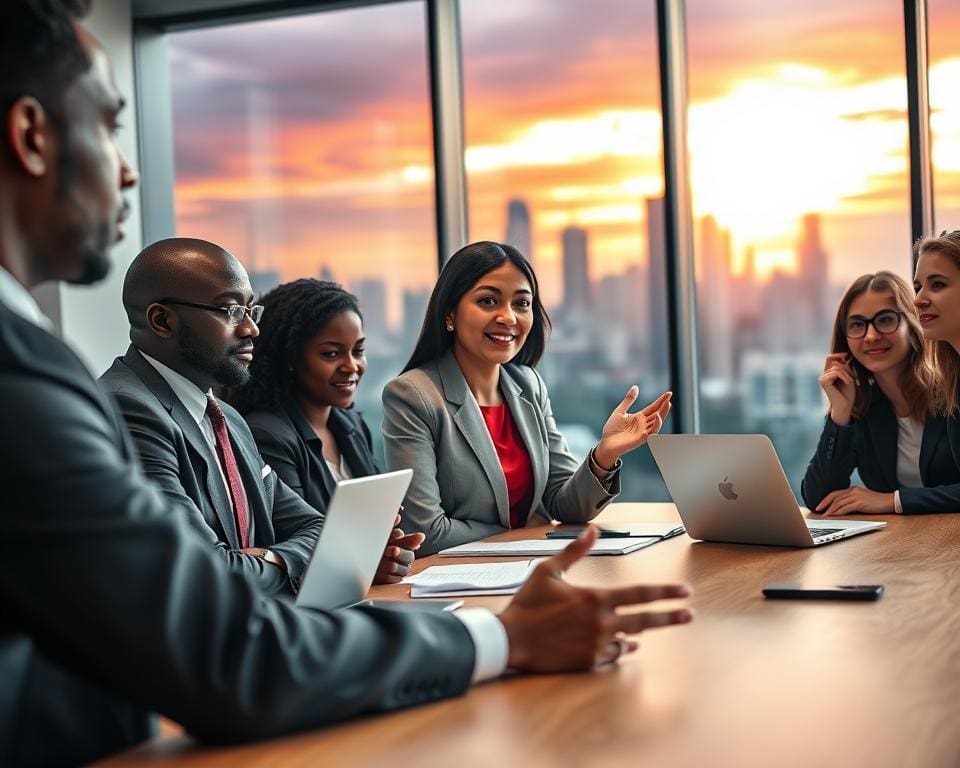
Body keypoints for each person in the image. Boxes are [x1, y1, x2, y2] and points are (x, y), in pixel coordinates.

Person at [0, 3, 692, 764]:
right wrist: (500, 634)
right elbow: (224, 646)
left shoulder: (209, 415)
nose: (127, 167)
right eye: (107, 124)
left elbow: (318, 536)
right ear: (33, 136)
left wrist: (290, 559)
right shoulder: (38, 381)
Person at [382, 241, 673, 555]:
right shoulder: (413, 395)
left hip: (528, 568)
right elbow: (425, 532)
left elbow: (565, 506)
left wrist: (604, 454)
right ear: (450, 313)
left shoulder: (528, 384)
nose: (508, 317)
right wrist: (521, 531)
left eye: (521, 304)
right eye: (488, 301)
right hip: (454, 582)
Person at [229, 276, 423, 583]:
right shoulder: (267, 435)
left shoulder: (350, 425)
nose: (351, 366)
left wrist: (393, 551)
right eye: (331, 354)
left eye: (358, 351)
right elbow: (298, 541)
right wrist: (364, 561)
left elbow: (373, 529)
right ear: (291, 359)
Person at [801, 271, 960, 516]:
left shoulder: (952, 392)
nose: (871, 336)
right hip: (899, 547)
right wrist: (840, 414)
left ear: (913, 323)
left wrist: (893, 501)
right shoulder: (864, 407)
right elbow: (818, 498)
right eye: (857, 324)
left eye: (885, 320)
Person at [914, 230, 960, 458]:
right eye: (918, 287)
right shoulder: (953, 379)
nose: (918, 300)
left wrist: (894, 497)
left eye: (938, 285)